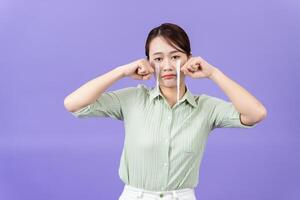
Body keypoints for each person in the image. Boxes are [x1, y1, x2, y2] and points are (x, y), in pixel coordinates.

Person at [64, 23, 267, 200]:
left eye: (176, 56)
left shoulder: (206, 107)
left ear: (189, 58)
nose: (168, 66)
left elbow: (256, 113)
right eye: (159, 59)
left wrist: (213, 73)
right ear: (148, 62)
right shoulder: (133, 99)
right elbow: (73, 103)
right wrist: (122, 71)